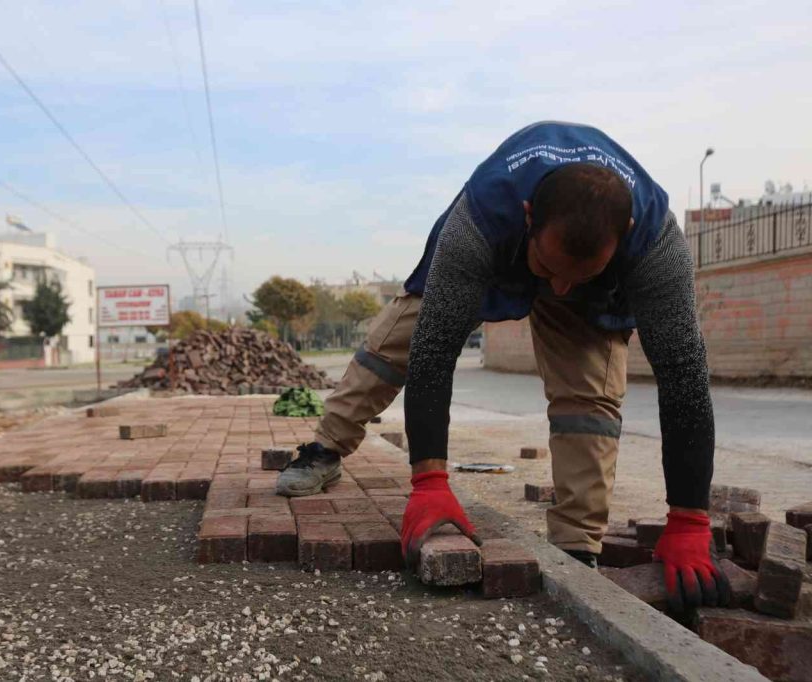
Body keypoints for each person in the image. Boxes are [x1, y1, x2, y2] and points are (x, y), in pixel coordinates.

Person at [275, 121, 728, 611]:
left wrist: (689, 519)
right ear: (528, 215)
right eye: (549, 270)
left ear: (627, 236)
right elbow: (436, 351)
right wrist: (430, 482)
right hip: (498, 251)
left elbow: (684, 378)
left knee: (589, 397)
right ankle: (325, 448)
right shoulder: (481, 216)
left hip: (587, 281)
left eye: (577, 275)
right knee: (397, 340)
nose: (558, 289)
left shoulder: (658, 245)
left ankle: (577, 545)